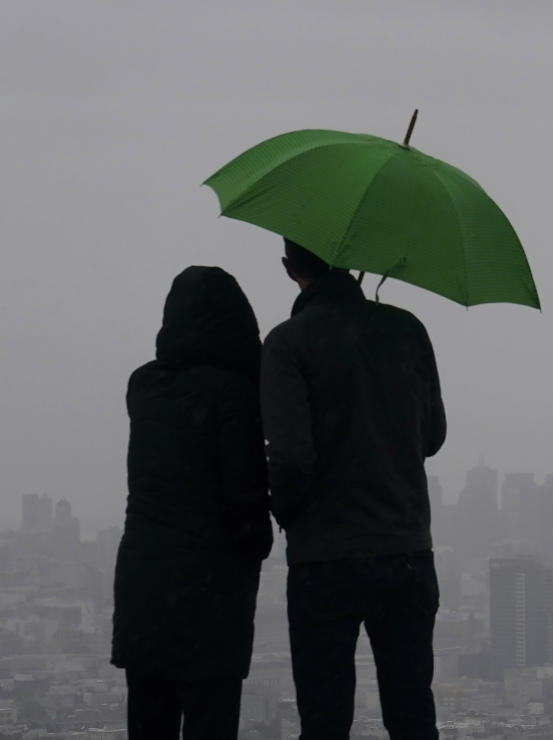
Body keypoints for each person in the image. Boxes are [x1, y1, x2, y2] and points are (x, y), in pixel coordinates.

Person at [263, 239, 446, 740]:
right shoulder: (407, 330)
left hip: (324, 557)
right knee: (412, 713)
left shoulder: (287, 343)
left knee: (324, 719)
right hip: (405, 549)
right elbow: (433, 437)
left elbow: (291, 455)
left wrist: (288, 513)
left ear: (288, 268)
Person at [112, 266, 272, 740]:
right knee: (210, 722)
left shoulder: (143, 386)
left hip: (144, 589)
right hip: (212, 596)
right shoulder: (233, 395)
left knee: (148, 720)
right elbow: (244, 510)